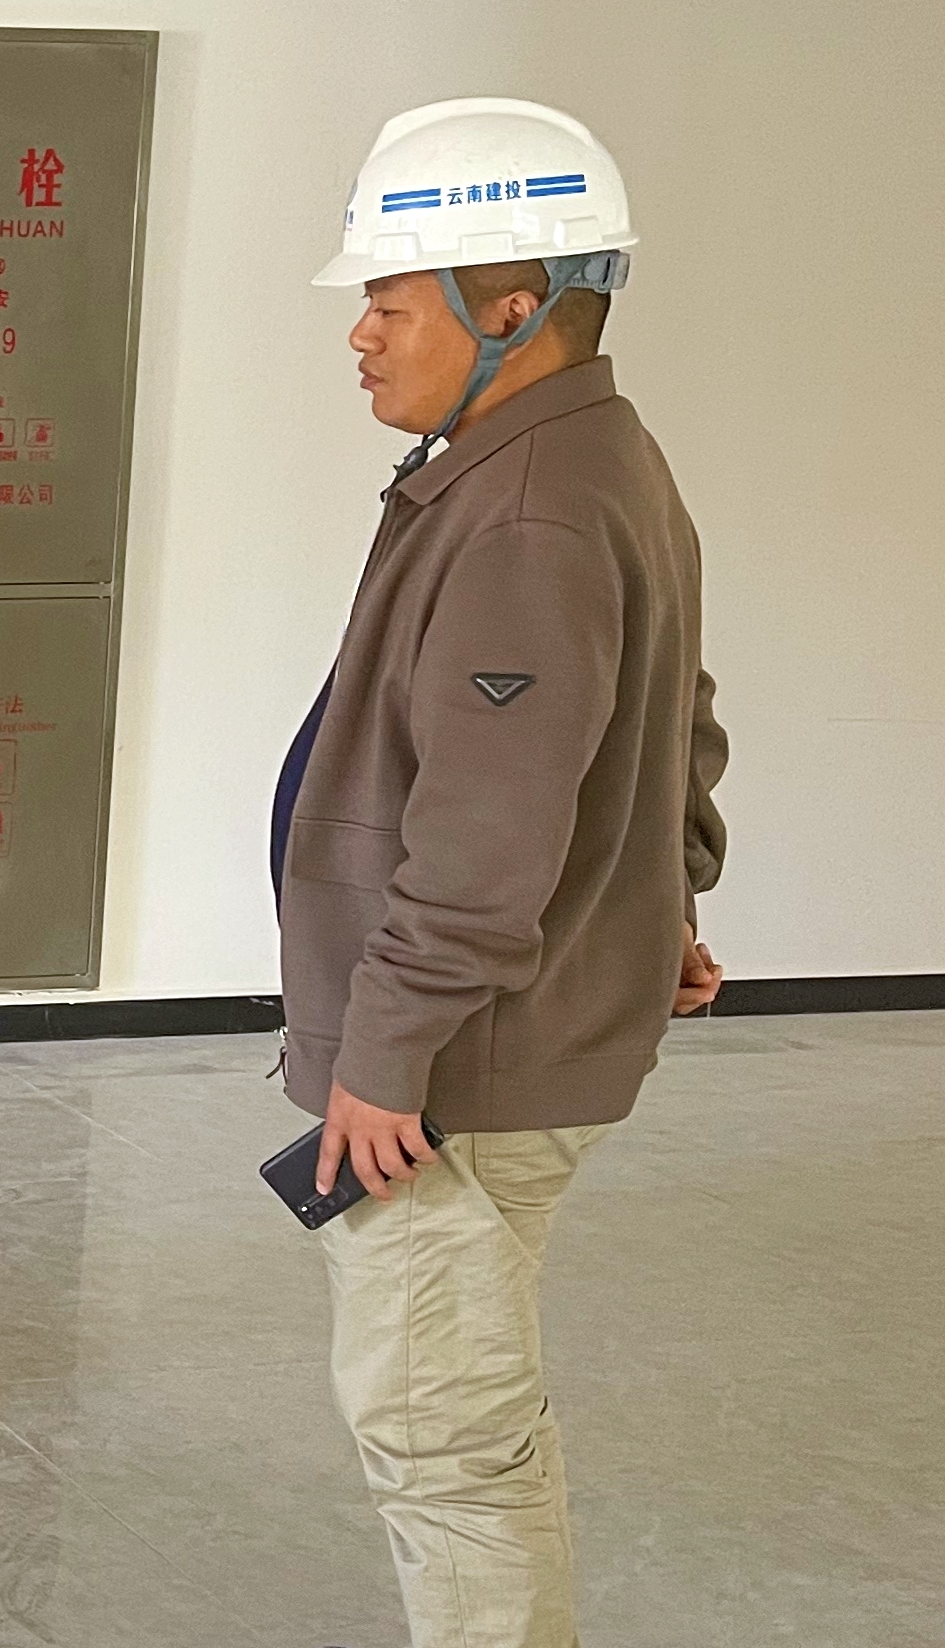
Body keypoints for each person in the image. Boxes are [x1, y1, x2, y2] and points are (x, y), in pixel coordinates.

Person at [279, 98, 727, 1648]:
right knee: (458, 1416)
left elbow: (483, 831)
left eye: (390, 303)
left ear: (513, 306)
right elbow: (673, 718)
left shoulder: (525, 509)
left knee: (445, 1438)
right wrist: (665, 899)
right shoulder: (578, 457)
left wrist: (385, 1049)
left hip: (456, 1077)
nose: (361, 335)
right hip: (489, 1037)